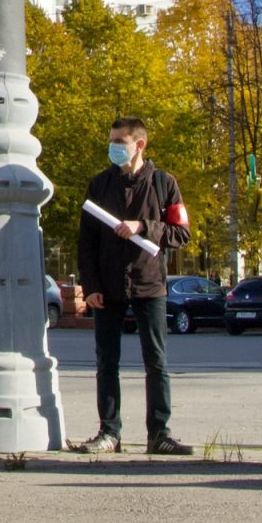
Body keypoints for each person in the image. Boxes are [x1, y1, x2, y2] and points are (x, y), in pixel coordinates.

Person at [74, 116, 194, 456]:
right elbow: (86, 243)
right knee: (106, 362)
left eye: (119, 142)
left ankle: (159, 433)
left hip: (149, 285)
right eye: (111, 141)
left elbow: (181, 234)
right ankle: (109, 433)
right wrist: (91, 285)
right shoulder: (99, 185)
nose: (113, 147)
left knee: (156, 361)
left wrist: (143, 226)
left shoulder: (163, 184)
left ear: (139, 144)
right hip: (107, 288)